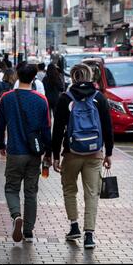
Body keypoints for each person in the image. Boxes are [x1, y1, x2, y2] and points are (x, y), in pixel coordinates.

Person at [52, 63, 114, 250]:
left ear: (72, 77)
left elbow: (57, 129)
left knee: (70, 189)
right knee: (92, 193)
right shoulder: (99, 98)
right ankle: (89, 235)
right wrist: (108, 153)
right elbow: (107, 127)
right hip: (95, 153)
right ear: (90, 76)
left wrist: (55, 155)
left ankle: (74, 226)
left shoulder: (65, 98)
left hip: (71, 152)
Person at [0, 63, 51, 243]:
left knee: (11, 188)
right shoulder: (41, 100)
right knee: (31, 192)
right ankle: (28, 231)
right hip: (34, 153)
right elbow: (46, 129)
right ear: (34, 77)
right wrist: (48, 153)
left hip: (14, 151)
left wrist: (1, 144)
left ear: (18, 76)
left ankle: (16, 216)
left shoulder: (7, 98)